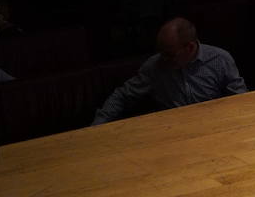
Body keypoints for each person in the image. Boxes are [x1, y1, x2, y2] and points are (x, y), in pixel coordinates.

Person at [92, 18, 246, 124]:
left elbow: (239, 99)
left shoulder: (220, 59)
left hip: (214, 125)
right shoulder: (154, 66)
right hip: (173, 130)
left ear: (190, 47)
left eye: (169, 55)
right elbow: (123, 96)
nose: (163, 59)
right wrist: (99, 123)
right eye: (161, 52)